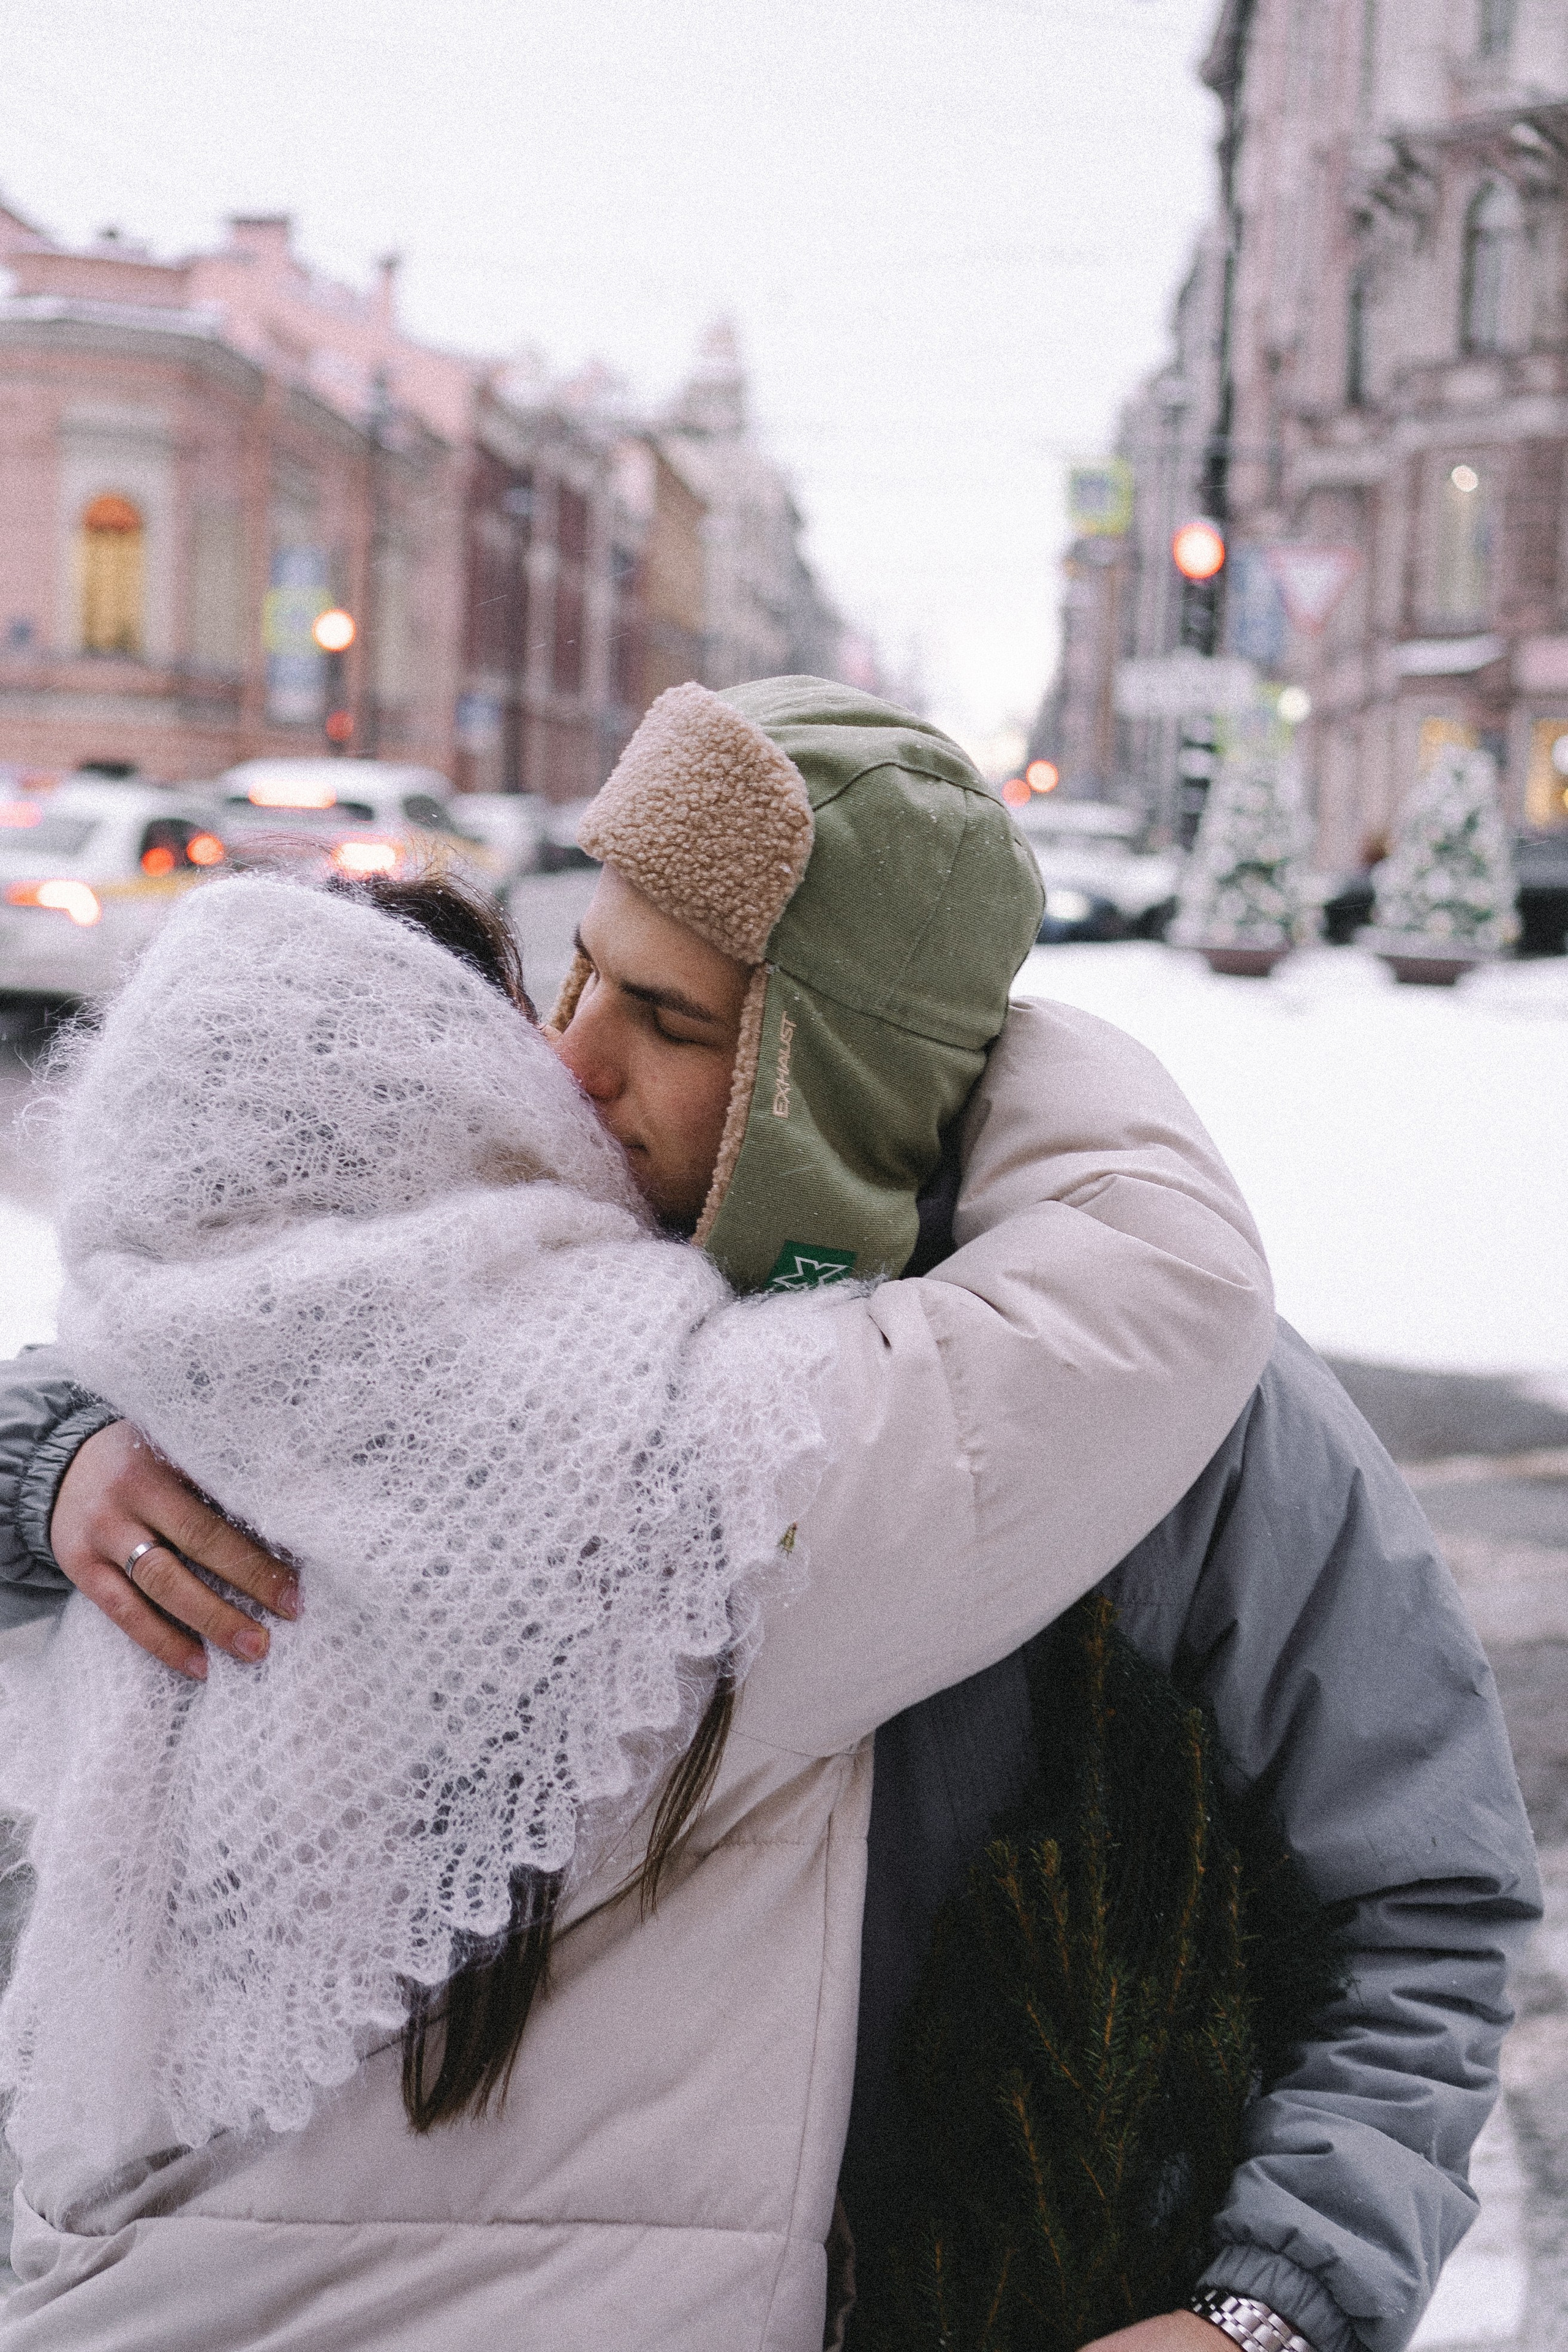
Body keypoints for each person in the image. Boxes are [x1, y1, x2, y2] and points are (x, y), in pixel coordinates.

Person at [0, 690, 1277, 2352]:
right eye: (572, 977)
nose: (569, 1056)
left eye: (659, 1010)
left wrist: (41, 1451)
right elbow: (1169, 1277)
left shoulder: (145, 1418)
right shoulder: (703, 1456)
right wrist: (954, 1013)